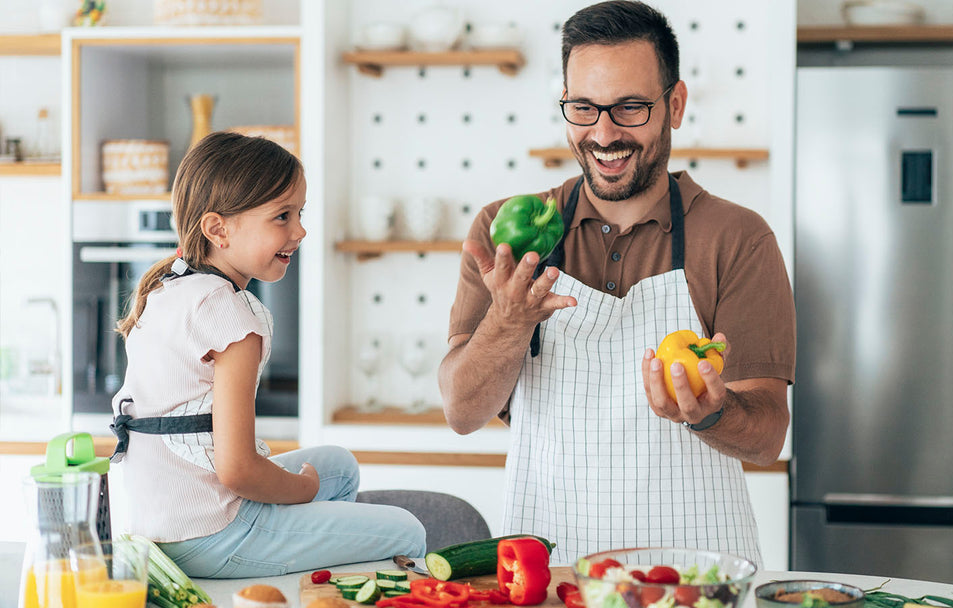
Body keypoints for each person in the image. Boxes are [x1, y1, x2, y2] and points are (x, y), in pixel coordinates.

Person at [439, 1, 794, 565]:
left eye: (630, 107)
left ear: (673, 106)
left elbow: (769, 433)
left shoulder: (737, 238)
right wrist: (508, 322)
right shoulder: (504, 233)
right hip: (550, 577)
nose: (603, 134)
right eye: (582, 107)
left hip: (697, 579)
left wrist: (709, 411)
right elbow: (462, 412)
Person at [109, 132, 425, 578]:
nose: (300, 231)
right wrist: (300, 490)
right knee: (406, 531)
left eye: (299, 213)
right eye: (282, 216)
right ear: (218, 228)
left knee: (338, 466)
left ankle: (300, 572)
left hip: (159, 525)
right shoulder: (230, 313)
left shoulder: (169, 289)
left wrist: (306, 487)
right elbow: (238, 469)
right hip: (210, 534)